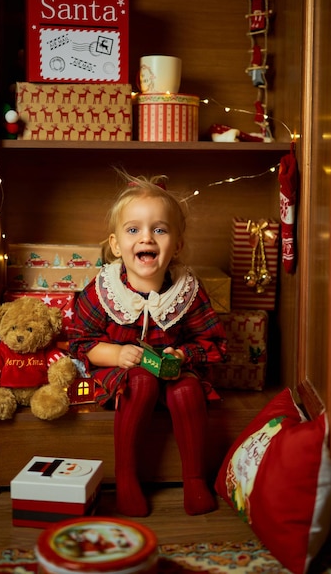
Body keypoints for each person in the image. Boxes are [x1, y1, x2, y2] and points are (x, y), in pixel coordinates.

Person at [69, 170, 227, 517]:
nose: (147, 238)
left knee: (186, 391)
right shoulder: (105, 289)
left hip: (172, 375)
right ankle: (126, 479)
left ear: (177, 244)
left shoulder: (186, 291)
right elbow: (81, 342)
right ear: (115, 244)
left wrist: (182, 354)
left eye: (160, 229)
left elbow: (213, 342)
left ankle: (195, 479)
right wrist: (116, 353)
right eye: (133, 230)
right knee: (140, 381)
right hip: (124, 378)